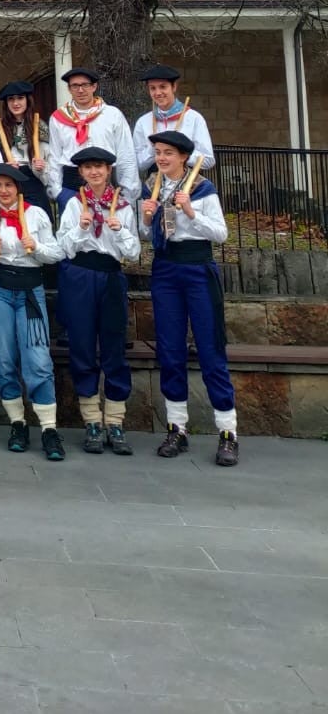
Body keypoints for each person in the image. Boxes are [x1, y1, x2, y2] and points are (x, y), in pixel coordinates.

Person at [141, 131, 238, 466]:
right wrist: (147, 217)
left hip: (197, 267)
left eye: (168, 152)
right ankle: (176, 428)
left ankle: (227, 432)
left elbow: (221, 234)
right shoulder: (152, 186)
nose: (161, 158)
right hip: (165, 268)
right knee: (170, 349)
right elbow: (146, 234)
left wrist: (191, 212)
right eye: (158, 152)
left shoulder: (202, 188)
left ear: (183, 157)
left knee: (210, 349)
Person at [0, 163, 65, 461]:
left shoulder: (36, 215)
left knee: (37, 358)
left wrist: (37, 248)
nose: (3, 190)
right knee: (4, 357)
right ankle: (17, 423)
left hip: (30, 291)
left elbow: (56, 253)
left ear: (18, 188)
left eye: (8, 185)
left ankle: (49, 428)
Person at [56, 146, 140, 455]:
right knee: (81, 345)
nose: (94, 172)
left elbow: (133, 253)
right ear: (81, 172)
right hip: (79, 275)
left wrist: (119, 231)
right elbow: (63, 248)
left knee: (114, 346)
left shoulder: (124, 206)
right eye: (88, 167)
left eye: (100, 167)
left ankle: (115, 421)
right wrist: (81, 227)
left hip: (111, 276)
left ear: (108, 171)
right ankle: (92, 420)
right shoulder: (73, 204)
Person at [46, 68, 138, 207]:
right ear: (69, 89)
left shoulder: (112, 115)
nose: (80, 90)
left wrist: (129, 193)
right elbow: (54, 156)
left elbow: (126, 154)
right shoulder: (58, 118)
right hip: (71, 186)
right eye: (75, 86)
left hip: (105, 182)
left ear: (94, 86)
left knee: (107, 221)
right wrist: (58, 192)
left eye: (85, 85)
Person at [132, 65, 215, 177]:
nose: (158, 93)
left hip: (187, 183)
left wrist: (180, 153)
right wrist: (153, 150)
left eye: (163, 87)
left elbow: (209, 160)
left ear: (174, 87)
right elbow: (137, 164)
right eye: (153, 88)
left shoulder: (194, 118)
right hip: (155, 184)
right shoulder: (143, 122)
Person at [0, 80, 51, 215]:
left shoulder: (39, 126)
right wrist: (3, 166)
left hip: (32, 181)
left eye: (20, 98)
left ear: (27, 100)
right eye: (11, 99)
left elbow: (48, 160)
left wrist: (41, 168)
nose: (16, 103)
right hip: (7, 181)